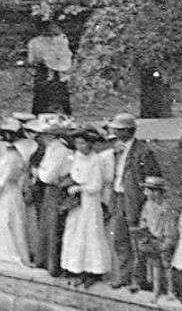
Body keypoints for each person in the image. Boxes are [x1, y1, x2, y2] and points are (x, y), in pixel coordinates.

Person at [105, 112, 160, 288]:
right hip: (118, 197)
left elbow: (152, 177)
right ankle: (124, 275)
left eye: (119, 130)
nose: (116, 133)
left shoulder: (143, 151)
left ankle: (138, 279)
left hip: (135, 200)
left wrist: (144, 199)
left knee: (137, 240)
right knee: (119, 239)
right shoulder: (115, 149)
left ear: (129, 131)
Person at [61, 127, 114, 285]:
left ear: (90, 144)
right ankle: (74, 267)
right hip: (76, 202)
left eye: (83, 143)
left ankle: (93, 270)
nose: (80, 147)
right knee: (74, 232)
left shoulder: (96, 160)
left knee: (90, 232)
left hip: (89, 201)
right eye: (77, 143)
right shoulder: (75, 157)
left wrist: (80, 188)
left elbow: (96, 185)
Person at [28, 113, 77, 276]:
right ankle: (44, 261)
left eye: (43, 134)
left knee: (54, 225)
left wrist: (38, 171)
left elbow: (48, 176)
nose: (40, 137)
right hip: (50, 190)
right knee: (47, 224)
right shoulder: (52, 149)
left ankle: (54, 264)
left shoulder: (60, 150)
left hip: (57, 190)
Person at [0, 117, 33, 266]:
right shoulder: (10, 154)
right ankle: (0, 251)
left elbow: (3, 178)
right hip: (11, 190)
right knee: (7, 220)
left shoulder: (13, 157)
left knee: (7, 220)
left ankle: (8, 254)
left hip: (9, 190)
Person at [24, 17, 74, 115]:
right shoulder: (35, 42)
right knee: (43, 95)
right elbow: (31, 60)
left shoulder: (61, 39)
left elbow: (65, 57)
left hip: (57, 74)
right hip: (44, 72)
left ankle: (61, 115)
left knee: (58, 95)